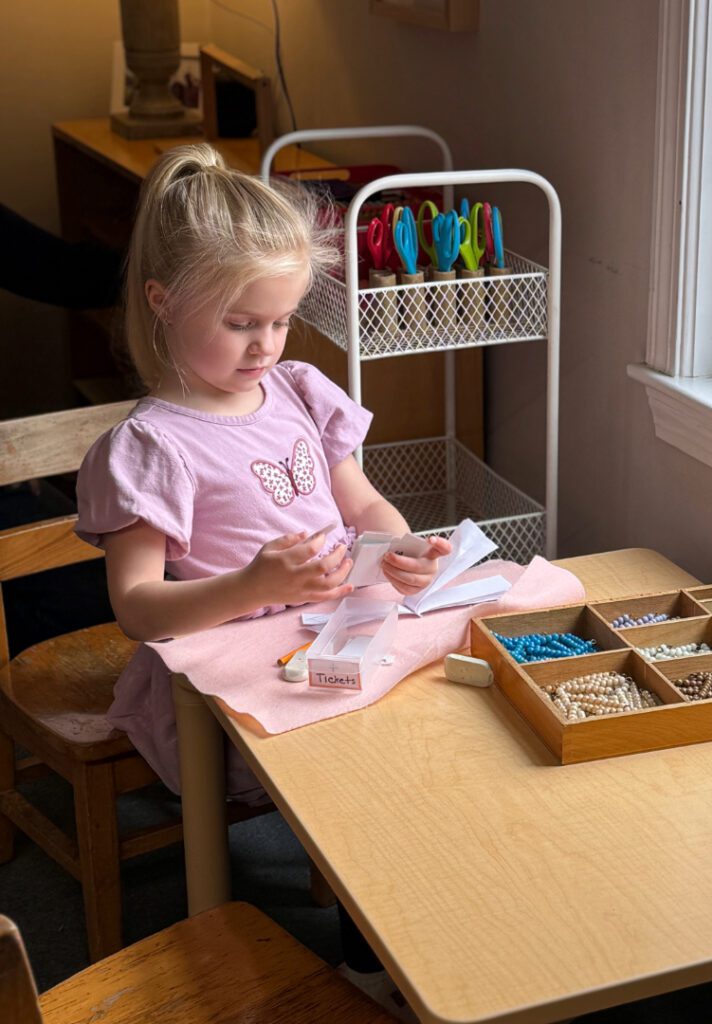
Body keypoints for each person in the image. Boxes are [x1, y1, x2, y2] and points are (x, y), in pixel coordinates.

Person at [74, 143, 448, 1009]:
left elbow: (363, 505)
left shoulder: (301, 391)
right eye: (243, 322)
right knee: (362, 777)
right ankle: (367, 962)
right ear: (163, 304)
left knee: (429, 745)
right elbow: (135, 607)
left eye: (280, 321)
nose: (267, 345)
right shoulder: (153, 447)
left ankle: (412, 936)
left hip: (331, 634)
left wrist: (398, 547)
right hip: (222, 673)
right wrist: (247, 585)